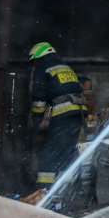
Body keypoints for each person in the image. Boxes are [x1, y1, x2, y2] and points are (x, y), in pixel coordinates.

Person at [27, 41, 87, 190]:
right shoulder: (65, 67)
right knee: (67, 153)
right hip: (78, 113)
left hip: (64, 113)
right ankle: (65, 193)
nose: (34, 65)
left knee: (49, 153)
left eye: (34, 61)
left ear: (39, 58)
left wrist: (36, 120)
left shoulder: (43, 68)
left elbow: (39, 98)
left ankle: (44, 191)